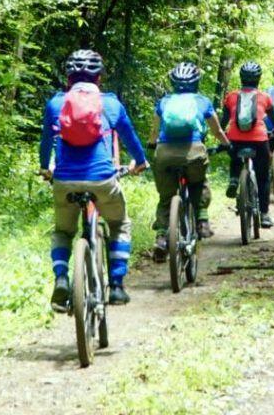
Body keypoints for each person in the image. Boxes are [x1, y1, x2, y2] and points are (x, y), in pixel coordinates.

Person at [39, 49, 148, 312]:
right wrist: (140, 162)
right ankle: (118, 285)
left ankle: (62, 277)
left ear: (68, 78)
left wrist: (45, 168)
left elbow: (45, 143)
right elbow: (131, 138)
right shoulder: (110, 104)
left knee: (63, 232)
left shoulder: (56, 103)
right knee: (119, 224)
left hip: (64, 181)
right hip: (102, 180)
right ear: (99, 78)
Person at [148, 60, 228, 259]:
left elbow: (154, 131)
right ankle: (202, 221)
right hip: (193, 152)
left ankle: (161, 237)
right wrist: (227, 144)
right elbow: (216, 130)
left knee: (166, 198)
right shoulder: (202, 101)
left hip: (165, 153)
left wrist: (151, 144)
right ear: (196, 82)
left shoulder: (164, 102)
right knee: (199, 183)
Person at [222, 61, 274, 228]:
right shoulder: (264, 97)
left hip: (235, 138)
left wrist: (222, 137)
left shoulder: (231, 96)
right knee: (263, 178)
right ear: (258, 79)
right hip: (258, 139)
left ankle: (234, 179)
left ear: (241, 78)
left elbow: (223, 121)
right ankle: (265, 214)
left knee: (235, 157)